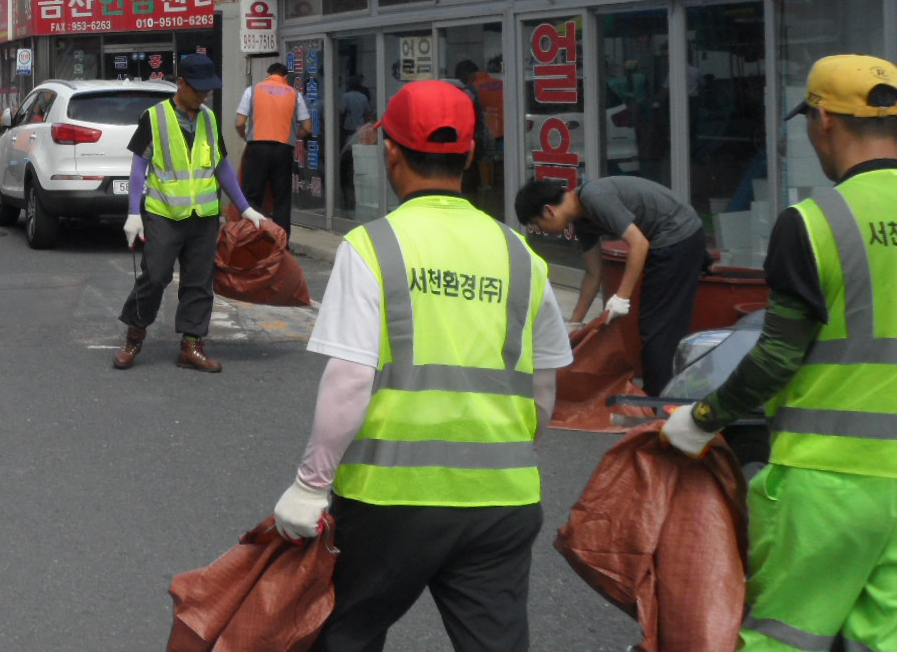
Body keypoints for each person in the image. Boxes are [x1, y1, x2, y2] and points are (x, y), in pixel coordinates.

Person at [271, 80, 572, 652]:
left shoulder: (372, 246)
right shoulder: (520, 254)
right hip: (503, 501)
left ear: (390, 151)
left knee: (343, 636)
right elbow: (544, 387)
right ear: (471, 155)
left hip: (390, 501)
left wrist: (311, 486)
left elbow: (351, 378)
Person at [663, 54, 897, 652]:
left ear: (822, 120)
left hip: (829, 482)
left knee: (782, 639)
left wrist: (701, 419)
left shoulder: (816, 222)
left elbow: (775, 357)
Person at [114, 54, 268, 373]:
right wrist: (133, 212)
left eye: (208, 89)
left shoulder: (209, 119)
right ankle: (134, 335)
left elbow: (221, 166)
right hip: (164, 214)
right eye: (198, 89)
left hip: (204, 216)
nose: (204, 94)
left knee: (199, 283)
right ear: (180, 84)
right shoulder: (154, 117)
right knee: (155, 276)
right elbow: (139, 166)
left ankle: (192, 345)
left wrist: (245, 208)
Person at [515, 173, 706, 394]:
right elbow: (593, 274)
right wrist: (573, 324)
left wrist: (622, 297)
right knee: (654, 324)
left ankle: (659, 401)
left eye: (537, 223)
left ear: (549, 210)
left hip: (679, 236)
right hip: (665, 239)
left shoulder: (595, 198)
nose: (541, 231)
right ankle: (660, 393)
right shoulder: (582, 221)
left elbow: (638, 244)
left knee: (657, 327)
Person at [236, 62, 312, 239]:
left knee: (252, 196)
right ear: (285, 77)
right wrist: (294, 135)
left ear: (268, 74)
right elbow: (307, 127)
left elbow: (239, 122)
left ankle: (250, 240)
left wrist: (245, 136)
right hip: (283, 150)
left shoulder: (252, 90)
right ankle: (281, 245)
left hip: (257, 148)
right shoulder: (295, 94)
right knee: (282, 199)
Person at [338, 75, 374, 210]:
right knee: (358, 156)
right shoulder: (364, 97)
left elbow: (341, 111)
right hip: (360, 130)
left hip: (348, 130)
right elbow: (367, 114)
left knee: (346, 158)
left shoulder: (346, 96)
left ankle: (348, 177)